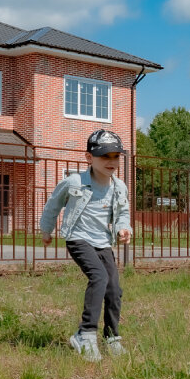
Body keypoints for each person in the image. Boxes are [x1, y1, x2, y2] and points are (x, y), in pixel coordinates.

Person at [39, 129, 132, 361]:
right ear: (89, 158)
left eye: (115, 156)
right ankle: (85, 334)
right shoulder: (74, 181)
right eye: (105, 156)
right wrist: (46, 230)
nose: (111, 161)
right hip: (78, 238)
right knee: (99, 277)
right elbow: (54, 204)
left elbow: (123, 213)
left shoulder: (119, 187)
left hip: (103, 242)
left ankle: (112, 337)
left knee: (114, 289)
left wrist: (124, 228)